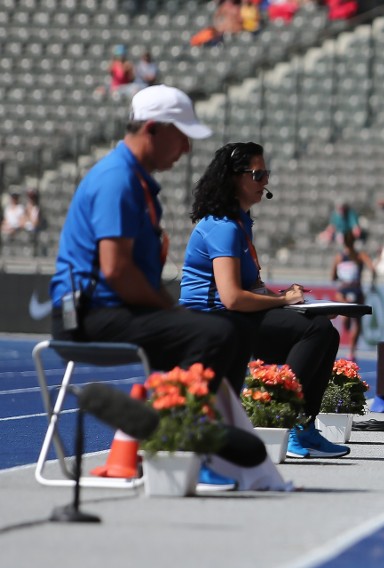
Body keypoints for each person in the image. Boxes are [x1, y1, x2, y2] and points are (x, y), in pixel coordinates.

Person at [48, 86, 269, 477]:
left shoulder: (134, 180)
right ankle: (186, 443)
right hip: (87, 315)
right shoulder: (118, 180)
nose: (185, 148)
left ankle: (201, 441)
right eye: (181, 134)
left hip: (109, 307)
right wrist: (170, 310)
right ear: (152, 129)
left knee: (229, 328)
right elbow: (116, 271)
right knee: (213, 334)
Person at [180, 141, 349, 458]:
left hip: (233, 316)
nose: (265, 181)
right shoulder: (223, 227)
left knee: (323, 330)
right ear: (234, 178)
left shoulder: (241, 223)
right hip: (211, 319)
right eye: (258, 174)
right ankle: (279, 421)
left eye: (266, 173)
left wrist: (292, 303)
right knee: (316, 332)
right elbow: (231, 298)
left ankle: (302, 425)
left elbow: (252, 289)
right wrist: (284, 302)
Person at [331, 230, 377, 361]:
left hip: (345, 291)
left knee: (350, 320)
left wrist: (340, 274)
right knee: (356, 322)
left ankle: (351, 350)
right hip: (356, 290)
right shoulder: (358, 255)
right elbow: (372, 269)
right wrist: (372, 283)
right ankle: (352, 350)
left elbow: (333, 276)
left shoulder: (341, 257)